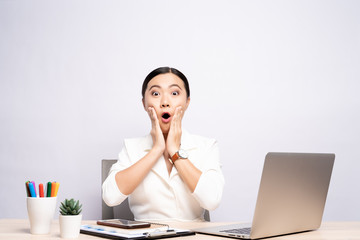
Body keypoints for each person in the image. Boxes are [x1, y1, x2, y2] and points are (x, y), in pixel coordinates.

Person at [102, 67, 224, 221]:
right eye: (155, 94)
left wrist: (174, 151)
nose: (165, 102)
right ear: (144, 104)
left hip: (194, 235)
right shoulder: (131, 147)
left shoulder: (206, 146)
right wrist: (156, 150)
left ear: (187, 102)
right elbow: (110, 197)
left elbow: (212, 200)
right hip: (146, 234)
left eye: (174, 93)